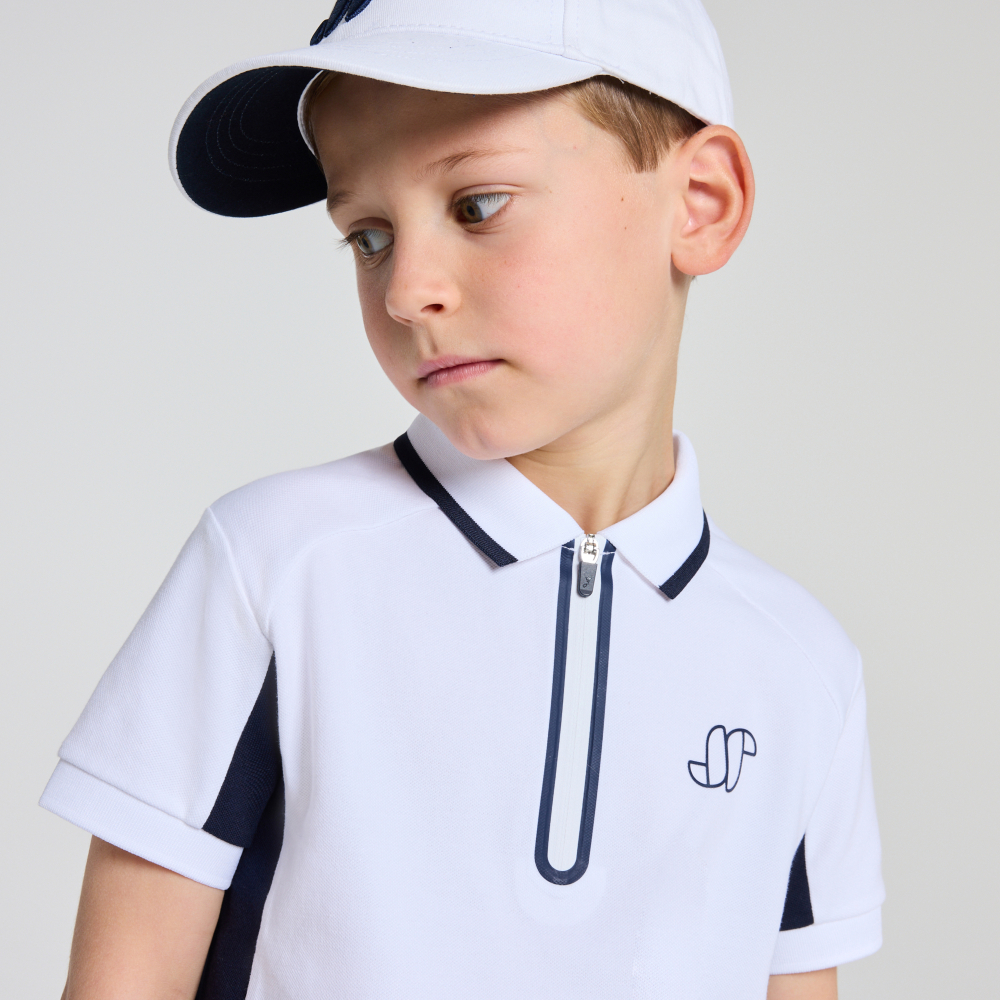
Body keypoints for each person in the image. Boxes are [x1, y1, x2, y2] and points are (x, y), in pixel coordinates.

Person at [42, 2, 884, 998]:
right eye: (367, 235)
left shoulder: (800, 667)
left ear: (700, 203)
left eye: (478, 205)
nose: (406, 290)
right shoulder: (274, 567)